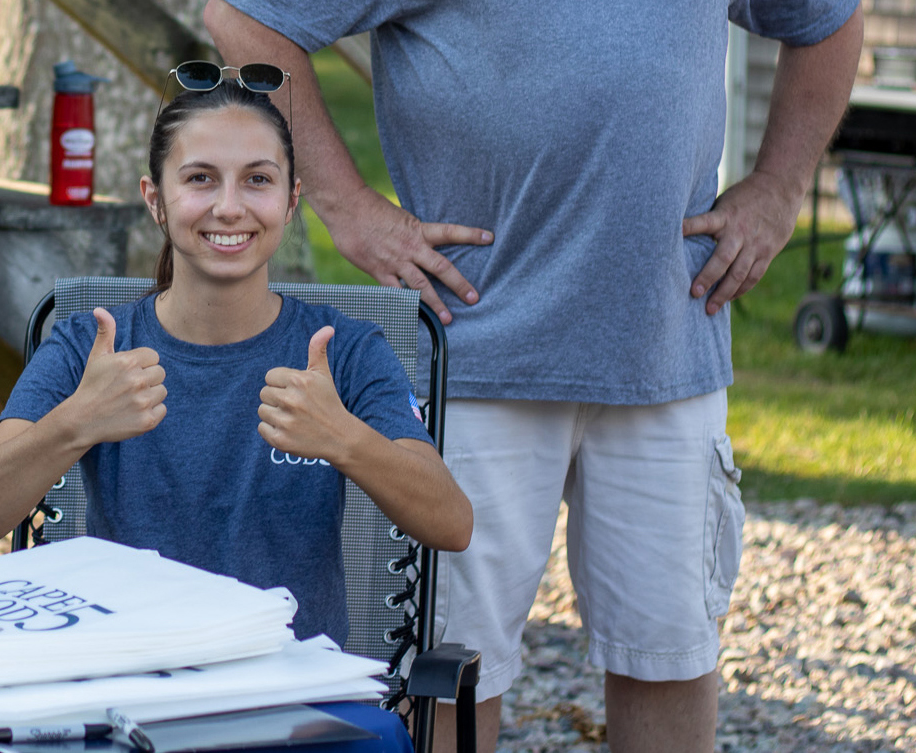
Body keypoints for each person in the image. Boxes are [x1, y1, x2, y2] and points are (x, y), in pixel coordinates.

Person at [202, 1, 862, 750]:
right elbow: (244, 20)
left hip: (667, 348)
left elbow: (828, 21)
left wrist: (779, 189)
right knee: (449, 670)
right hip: (473, 356)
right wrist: (347, 208)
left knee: (671, 660)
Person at [0, 79, 471, 648]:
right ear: (155, 199)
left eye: (257, 180)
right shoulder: (87, 348)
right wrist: (76, 423)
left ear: (291, 201)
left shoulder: (347, 349)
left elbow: (451, 524)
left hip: (291, 688)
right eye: (200, 179)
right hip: (130, 672)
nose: (230, 207)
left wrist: (345, 439)